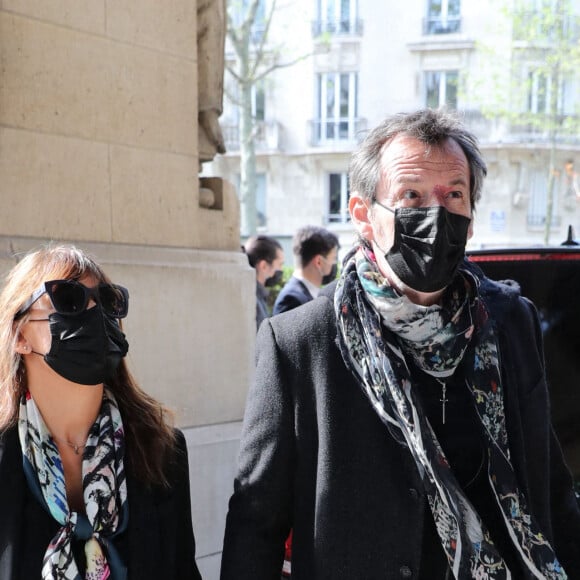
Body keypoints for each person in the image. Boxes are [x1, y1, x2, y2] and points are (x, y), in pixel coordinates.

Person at [220, 109, 580, 579]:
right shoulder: (299, 342)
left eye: (454, 195)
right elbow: (256, 520)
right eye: (410, 195)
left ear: (471, 217)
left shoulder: (511, 321)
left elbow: (550, 483)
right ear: (363, 216)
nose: (436, 214)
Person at [0, 244, 202, 580]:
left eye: (107, 302)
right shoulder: (6, 455)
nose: (95, 315)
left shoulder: (159, 449)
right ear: (20, 334)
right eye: (68, 299)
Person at [273, 225, 339, 315]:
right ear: (318, 262)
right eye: (333, 258)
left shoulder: (309, 293)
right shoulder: (291, 300)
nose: (335, 263)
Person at [244, 235, 285, 331]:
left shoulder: (255, 294)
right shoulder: (253, 300)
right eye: (280, 264)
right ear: (264, 266)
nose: (281, 270)